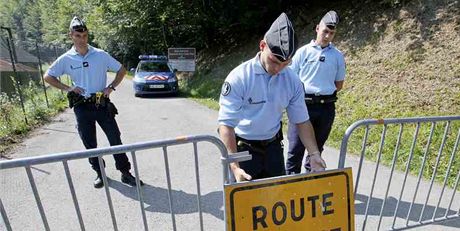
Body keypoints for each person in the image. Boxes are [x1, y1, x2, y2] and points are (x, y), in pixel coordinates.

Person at [218, 13, 326, 182]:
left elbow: (302, 121)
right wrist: (235, 167)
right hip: (243, 150)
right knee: (242, 205)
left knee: (277, 199)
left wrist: (314, 154)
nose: (278, 69)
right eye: (274, 61)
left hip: (273, 149)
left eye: (286, 64)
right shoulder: (239, 77)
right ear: (262, 45)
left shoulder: (292, 80)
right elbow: (226, 126)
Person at [44, 16, 143, 188]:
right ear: (71, 36)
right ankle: (100, 173)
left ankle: (125, 172)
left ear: (87, 35)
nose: (81, 40)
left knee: (115, 139)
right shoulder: (66, 58)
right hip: (81, 104)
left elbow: (121, 70)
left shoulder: (100, 55)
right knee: (89, 142)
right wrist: (68, 88)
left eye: (84, 36)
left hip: (100, 101)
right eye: (77, 36)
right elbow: (48, 77)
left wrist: (111, 87)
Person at [286, 10, 346, 174]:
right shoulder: (303, 52)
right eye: (325, 31)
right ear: (317, 28)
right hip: (302, 105)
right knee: (295, 150)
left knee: (316, 150)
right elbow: (291, 79)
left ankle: (309, 185)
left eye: (332, 33)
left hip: (326, 107)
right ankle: (290, 186)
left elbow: (338, 84)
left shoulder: (338, 56)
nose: (327, 36)